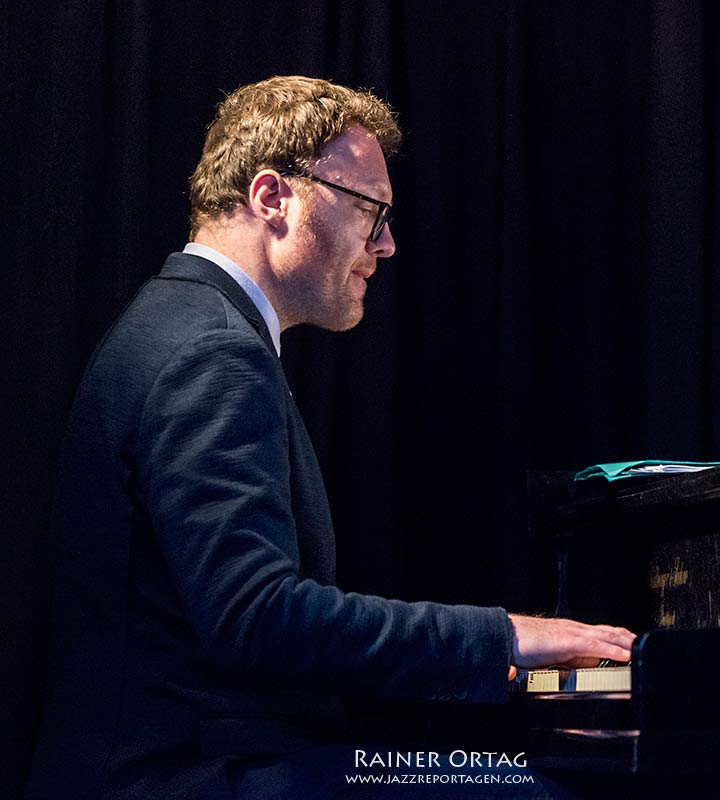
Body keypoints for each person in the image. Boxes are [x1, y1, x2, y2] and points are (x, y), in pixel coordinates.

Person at [26, 75, 635, 799]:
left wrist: (479, 667)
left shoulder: (181, 321)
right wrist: (503, 637)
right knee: (535, 791)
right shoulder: (213, 352)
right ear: (272, 197)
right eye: (370, 211)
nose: (387, 244)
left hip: (188, 758)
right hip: (190, 774)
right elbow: (259, 616)